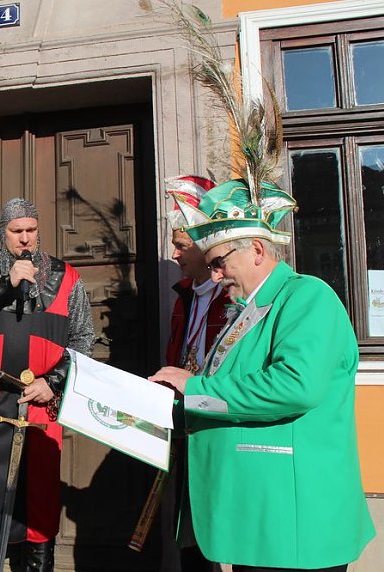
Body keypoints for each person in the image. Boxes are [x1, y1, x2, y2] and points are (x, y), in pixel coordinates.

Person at [150, 179, 375, 572]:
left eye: (220, 262)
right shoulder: (250, 308)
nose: (215, 275)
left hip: (293, 517)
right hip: (259, 516)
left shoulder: (307, 296)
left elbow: (295, 385)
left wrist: (196, 388)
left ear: (255, 250)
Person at [0, 198, 94, 572]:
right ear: (3, 233)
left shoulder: (67, 277)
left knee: (39, 498)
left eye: (31, 230)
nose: (25, 239)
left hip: (41, 402)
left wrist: (53, 381)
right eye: (16, 232)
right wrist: (4, 284)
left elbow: (83, 340)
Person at [159, 176, 230, 572]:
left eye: (182, 246)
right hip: (186, 425)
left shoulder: (232, 293)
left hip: (218, 427)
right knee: (189, 537)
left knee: (219, 535)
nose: (174, 254)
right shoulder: (185, 294)